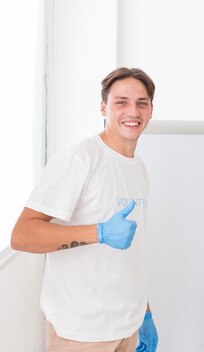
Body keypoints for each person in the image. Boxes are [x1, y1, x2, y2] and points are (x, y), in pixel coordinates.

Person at [11, 67, 158, 352]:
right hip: (82, 333)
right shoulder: (81, 158)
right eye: (121, 102)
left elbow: (132, 256)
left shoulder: (139, 167)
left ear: (151, 110)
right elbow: (22, 234)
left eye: (142, 103)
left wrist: (146, 312)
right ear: (103, 107)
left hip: (129, 327)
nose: (133, 111)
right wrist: (99, 232)